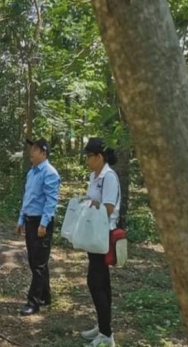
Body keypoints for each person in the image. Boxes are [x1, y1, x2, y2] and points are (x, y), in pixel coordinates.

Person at [79, 137, 120, 347]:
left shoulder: (109, 177)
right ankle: (103, 326)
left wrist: (93, 203)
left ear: (99, 157)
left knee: (96, 283)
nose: (87, 160)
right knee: (101, 282)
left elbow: (109, 208)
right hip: (93, 234)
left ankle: (106, 336)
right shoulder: (94, 176)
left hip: (104, 236)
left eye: (89, 156)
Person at [16, 138, 61, 316]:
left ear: (44, 153)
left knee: (39, 264)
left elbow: (51, 201)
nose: (31, 152)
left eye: (35, 150)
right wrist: (21, 220)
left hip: (41, 223)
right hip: (29, 220)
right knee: (36, 261)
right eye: (31, 149)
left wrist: (44, 223)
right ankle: (45, 295)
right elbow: (28, 198)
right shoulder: (32, 172)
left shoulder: (50, 173)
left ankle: (33, 302)